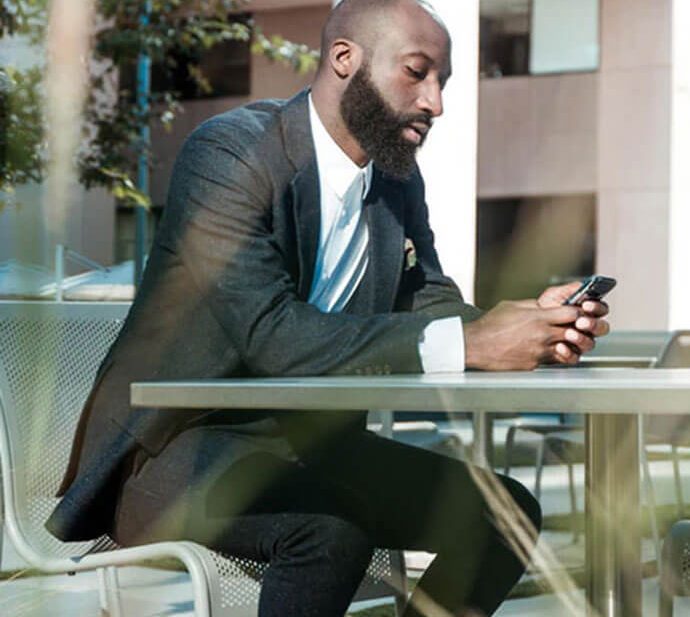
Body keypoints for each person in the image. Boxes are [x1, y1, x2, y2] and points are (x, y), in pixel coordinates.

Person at [47, 1, 610, 615]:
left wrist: (526, 322)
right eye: (417, 73)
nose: (435, 103)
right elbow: (271, 335)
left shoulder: (395, 179)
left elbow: (426, 301)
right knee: (330, 532)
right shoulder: (231, 157)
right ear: (346, 59)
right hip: (176, 451)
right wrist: (473, 344)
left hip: (309, 446)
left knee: (506, 513)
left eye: (442, 82)